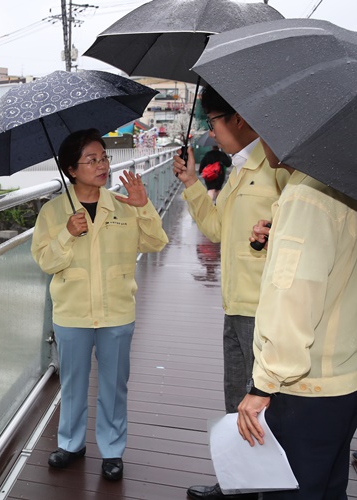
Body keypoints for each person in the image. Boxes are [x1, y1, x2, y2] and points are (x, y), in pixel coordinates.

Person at [172, 86, 289, 500]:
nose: (212, 132)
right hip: (236, 304)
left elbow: (297, 231)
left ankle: (263, 487)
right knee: (236, 398)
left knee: (264, 404)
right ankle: (239, 481)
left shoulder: (279, 167)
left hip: (268, 309)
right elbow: (219, 228)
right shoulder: (239, 168)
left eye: (213, 122)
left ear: (237, 119)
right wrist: (189, 181)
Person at [31, 129, 167, 482]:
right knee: (73, 385)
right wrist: (67, 233)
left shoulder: (123, 204)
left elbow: (156, 243)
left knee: (114, 385)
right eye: (91, 160)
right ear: (71, 170)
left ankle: (112, 450)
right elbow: (46, 262)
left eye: (104, 157)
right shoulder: (52, 212)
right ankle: (71, 444)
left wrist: (144, 206)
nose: (102, 165)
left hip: (117, 310)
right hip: (72, 312)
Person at [237, 141, 357, 499]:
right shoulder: (342, 180)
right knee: (329, 488)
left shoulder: (306, 196)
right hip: (343, 375)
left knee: (290, 490)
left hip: (304, 385)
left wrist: (263, 386)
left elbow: (294, 300)